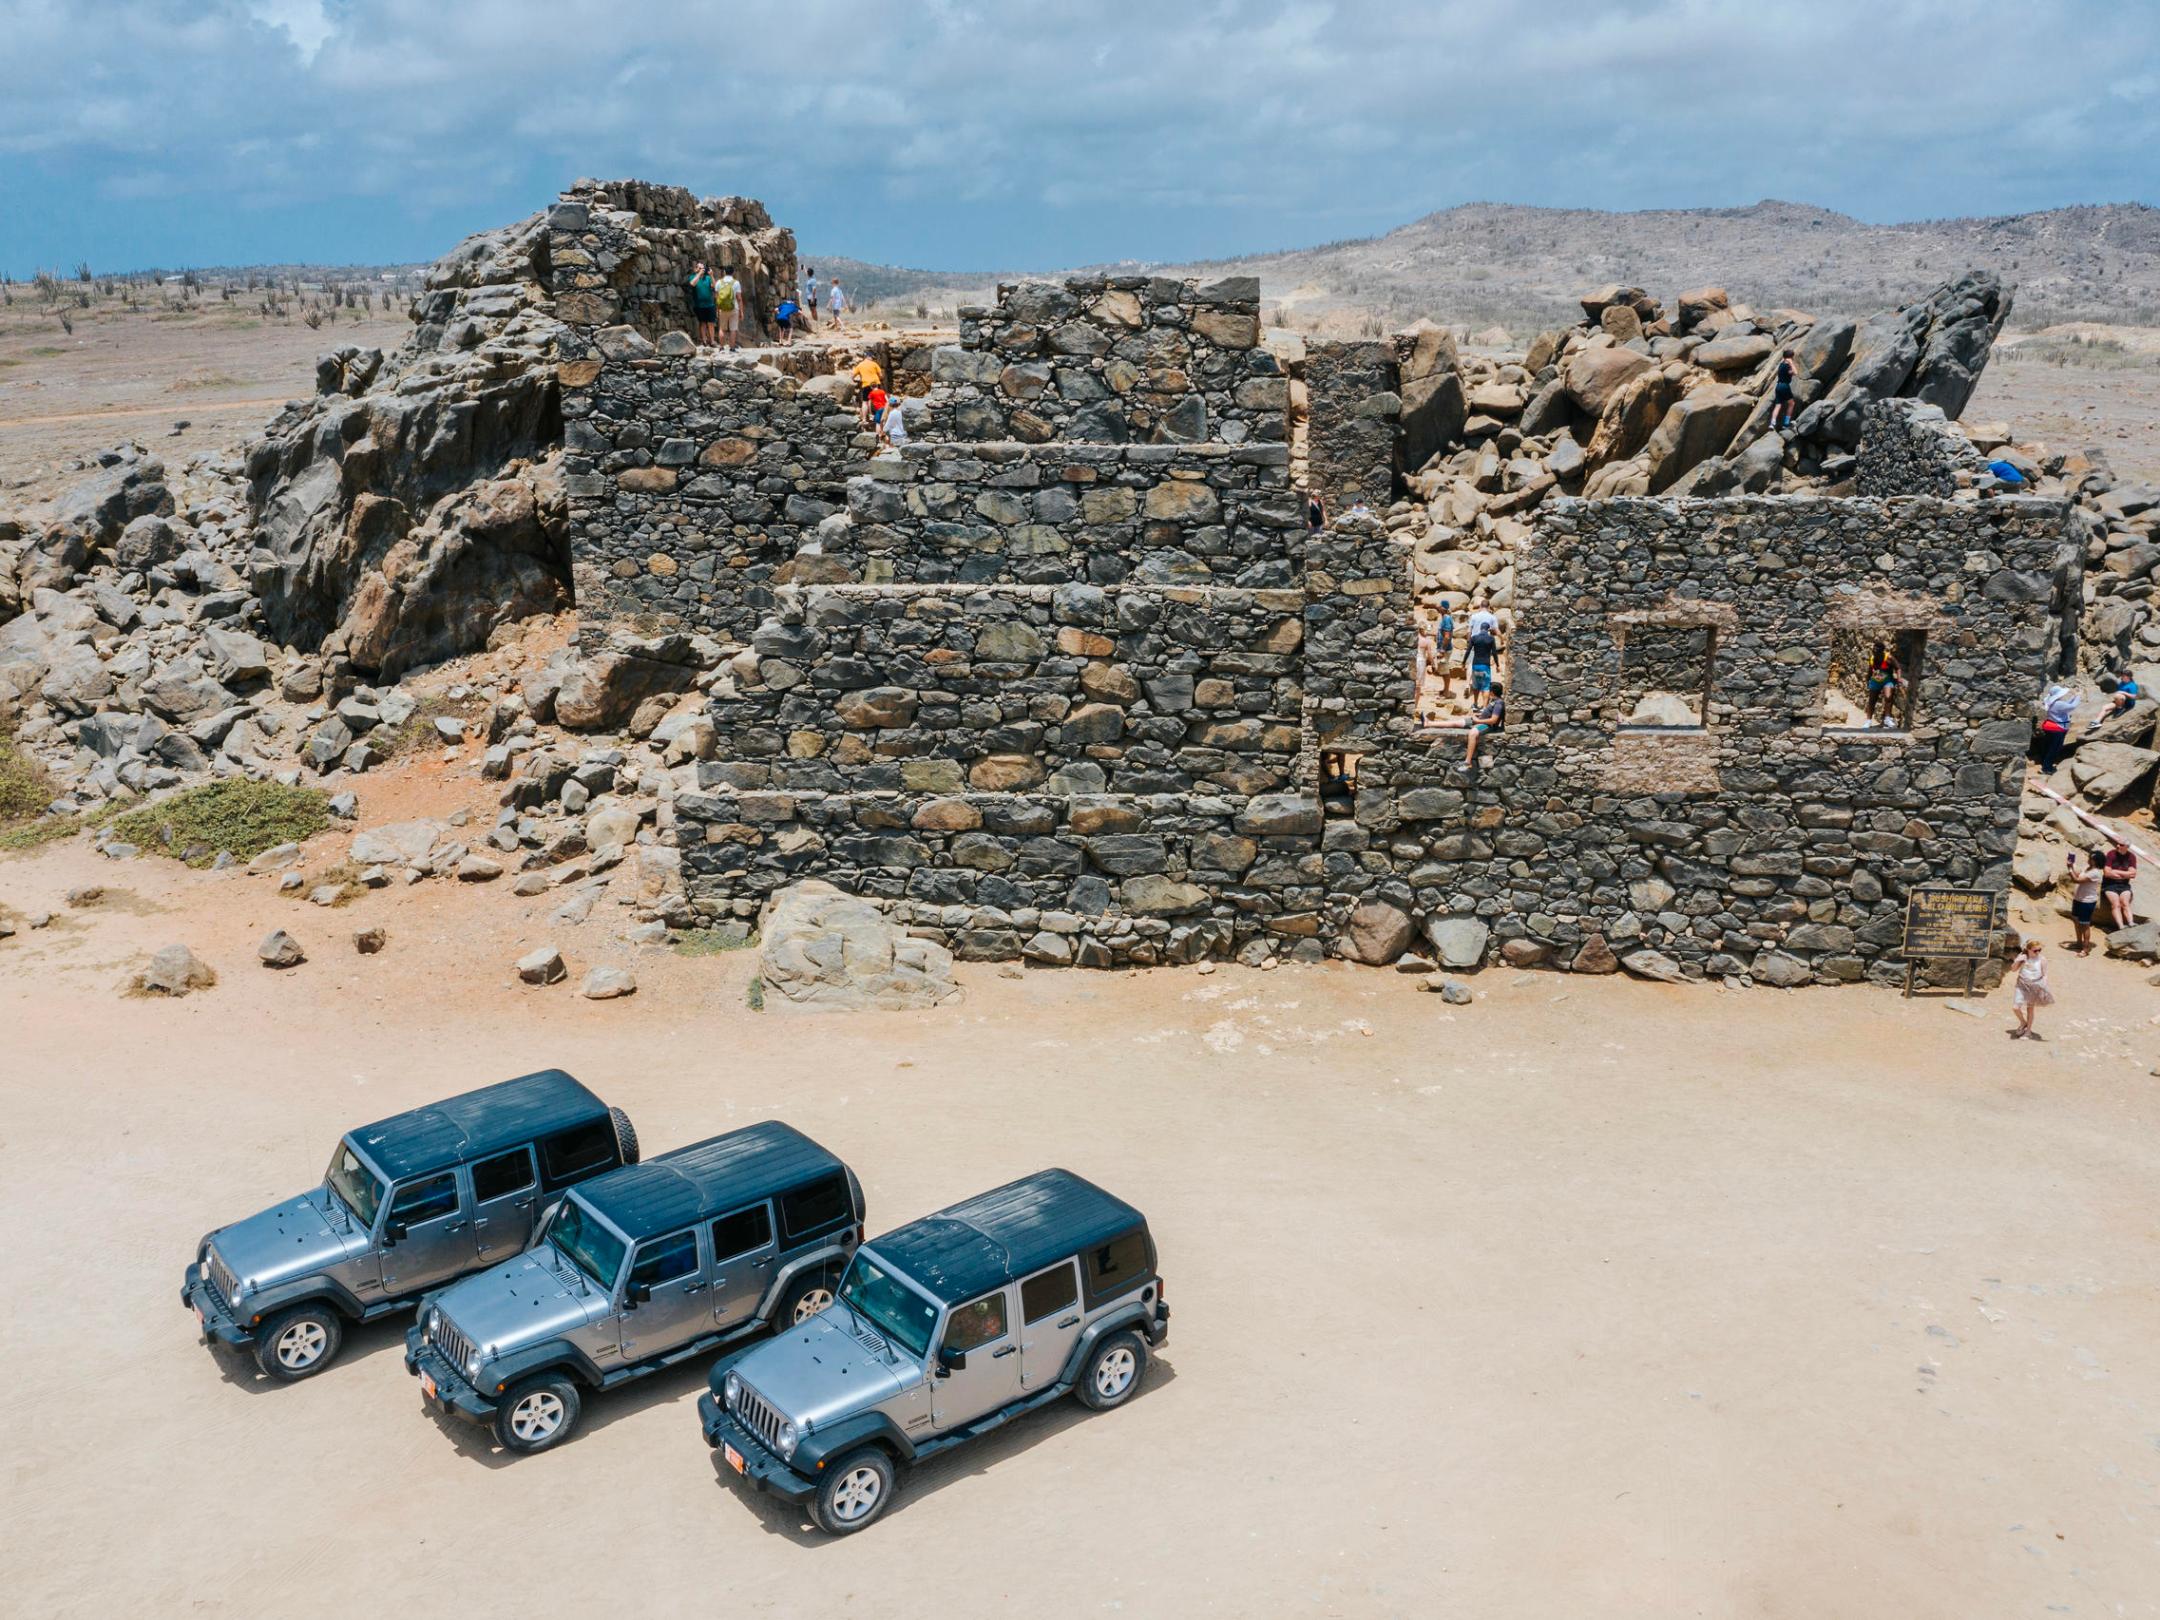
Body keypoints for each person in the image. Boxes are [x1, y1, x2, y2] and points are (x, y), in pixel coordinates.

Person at [2009, 938, 2053, 1040]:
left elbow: (2045, 974)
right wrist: (2018, 960)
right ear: (2028, 949)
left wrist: (2044, 986)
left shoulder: (2042, 960)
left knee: (2030, 1008)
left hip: (2035, 985)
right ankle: (2023, 1022)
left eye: (2039, 950)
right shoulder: (2023, 957)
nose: (2037, 952)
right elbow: (2013, 969)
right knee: (2015, 1007)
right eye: (2035, 950)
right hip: (2021, 984)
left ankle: (2028, 1031)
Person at [1457, 683, 1504, 772]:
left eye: (1488, 689)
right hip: (1479, 720)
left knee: (1473, 733)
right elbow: (1488, 713)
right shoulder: (1493, 700)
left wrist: (1477, 721)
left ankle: (1467, 762)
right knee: (1458, 723)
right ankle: (1429, 723)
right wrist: (1478, 715)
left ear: (1492, 692)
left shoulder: (1498, 703)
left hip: (1487, 725)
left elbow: (1493, 720)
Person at [2036, 682, 2079, 773]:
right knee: (2054, 748)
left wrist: (2074, 697)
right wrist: (2078, 696)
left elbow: (2066, 705)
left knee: (2048, 746)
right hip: (2058, 728)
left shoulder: (2052, 702)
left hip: (2050, 726)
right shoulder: (2058, 704)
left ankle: (2044, 762)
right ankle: (2047, 768)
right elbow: (2072, 706)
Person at [1863, 641, 1904, 727]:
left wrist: (1899, 678)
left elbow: (1898, 668)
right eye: (1873, 650)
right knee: (1872, 700)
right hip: (1875, 680)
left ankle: (1887, 719)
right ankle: (1868, 721)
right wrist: (1867, 680)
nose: (1874, 652)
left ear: (1881, 651)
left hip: (1887, 680)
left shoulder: (1888, 657)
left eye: (1876, 650)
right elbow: (1870, 670)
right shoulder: (1872, 658)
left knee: (1888, 697)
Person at [2067, 850, 2101, 954]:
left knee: (2085, 924)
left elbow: (2076, 880)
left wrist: (2069, 869)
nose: (2089, 859)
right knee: (2076, 921)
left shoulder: (2095, 873)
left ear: (2096, 861)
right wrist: (2072, 866)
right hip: (2078, 899)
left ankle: (2085, 949)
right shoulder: (2087, 869)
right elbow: (2078, 875)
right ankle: (2078, 942)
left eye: (2091, 858)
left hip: (2087, 902)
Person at [2101, 837, 2138, 930]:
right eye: (2117, 843)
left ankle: (2131, 923)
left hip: (2124, 885)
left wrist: (2115, 872)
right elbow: (2107, 873)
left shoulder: (2131, 857)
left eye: (2121, 845)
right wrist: (2125, 874)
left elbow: (2133, 874)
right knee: (2116, 904)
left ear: (2126, 847)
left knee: (2125, 903)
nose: (2117, 846)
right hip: (2109, 885)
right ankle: (2121, 926)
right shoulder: (2111, 854)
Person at [686, 262, 717, 348]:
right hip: (699, 305)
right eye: (700, 268)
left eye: (703, 268)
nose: (702, 270)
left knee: (711, 323)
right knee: (702, 323)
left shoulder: (707, 278)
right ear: (695, 269)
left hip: (710, 305)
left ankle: (712, 341)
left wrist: (711, 275)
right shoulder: (693, 277)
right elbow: (692, 283)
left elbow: (715, 286)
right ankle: (704, 340)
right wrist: (699, 274)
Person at [714, 265, 743, 351]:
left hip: (722, 309)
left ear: (724, 272)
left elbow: (717, 297)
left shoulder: (719, 282)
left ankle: (722, 347)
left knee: (722, 328)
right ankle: (732, 348)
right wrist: (741, 311)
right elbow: (739, 298)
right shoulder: (736, 283)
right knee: (733, 329)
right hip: (734, 308)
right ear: (733, 272)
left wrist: (717, 309)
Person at [851, 353, 884, 428]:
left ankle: (864, 419)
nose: (872, 359)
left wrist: (855, 381)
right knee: (877, 400)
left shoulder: (860, 365)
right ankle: (878, 417)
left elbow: (852, 376)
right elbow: (881, 375)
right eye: (872, 357)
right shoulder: (874, 364)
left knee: (865, 402)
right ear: (869, 357)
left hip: (866, 384)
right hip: (875, 384)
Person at [1771, 348, 1800, 431]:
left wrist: (1790, 370)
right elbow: (1795, 372)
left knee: (1778, 405)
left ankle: (1772, 424)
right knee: (1791, 403)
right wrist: (1791, 363)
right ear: (1791, 357)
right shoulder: (1788, 365)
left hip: (1778, 386)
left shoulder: (1781, 365)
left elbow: (1789, 373)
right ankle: (1786, 423)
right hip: (1784, 386)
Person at [1435, 604, 1457, 694]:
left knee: (1445, 670)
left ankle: (1447, 691)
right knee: (1443, 670)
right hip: (1443, 648)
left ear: (1443, 608)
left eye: (1440, 606)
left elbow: (1447, 636)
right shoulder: (1444, 618)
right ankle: (1445, 689)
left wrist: (1442, 650)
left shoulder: (1446, 619)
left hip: (1445, 649)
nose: (1438, 607)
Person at [801, 266, 819, 330]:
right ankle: (815, 322)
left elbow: (814, 289)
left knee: (814, 310)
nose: (807, 273)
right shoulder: (810, 278)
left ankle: (816, 323)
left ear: (809, 273)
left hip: (812, 297)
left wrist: (812, 298)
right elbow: (806, 273)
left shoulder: (813, 280)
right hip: (809, 297)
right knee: (811, 310)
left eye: (807, 272)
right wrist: (804, 268)